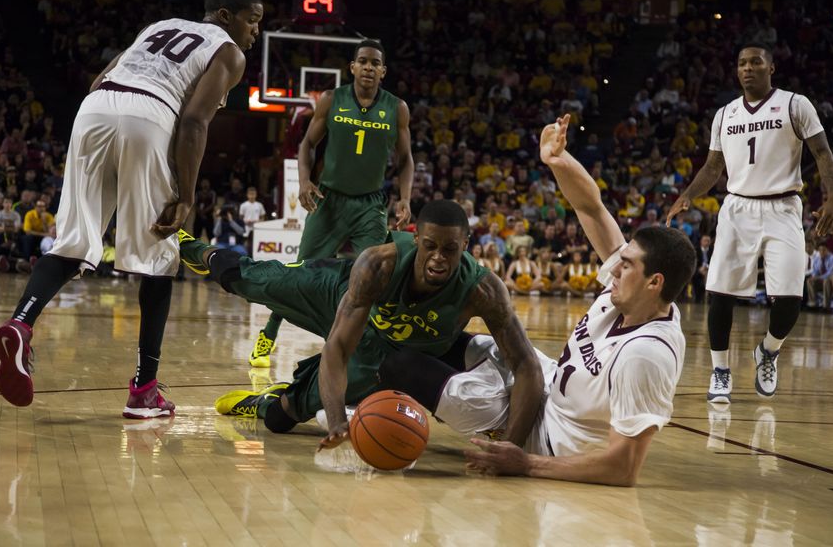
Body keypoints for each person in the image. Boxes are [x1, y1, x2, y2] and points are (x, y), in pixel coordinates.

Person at [380, 115, 695, 486]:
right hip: (545, 382)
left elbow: (623, 467)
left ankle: (376, 416)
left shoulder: (646, 356)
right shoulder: (633, 292)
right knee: (436, 340)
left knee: (402, 365)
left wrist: (526, 464)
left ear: (654, 282)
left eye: (625, 266)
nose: (613, 268)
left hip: (544, 438)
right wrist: (557, 160)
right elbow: (591, 208)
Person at [0, 0, 264, 416]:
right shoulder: (228, 52)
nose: (256, 32)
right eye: (253, 21)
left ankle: (21, 323)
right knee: (159, 257)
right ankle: (144, 391)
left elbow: (98, 80)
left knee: (73, 241)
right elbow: (193, 121)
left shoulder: (157, 26)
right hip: (149, 115)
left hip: (95, 111)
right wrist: (187, 195)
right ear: (226, 17)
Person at [180, 200, 544, 449]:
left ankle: (265, 401)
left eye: (450, 250)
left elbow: (527, 366)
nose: (438, 258)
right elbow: (337, 347)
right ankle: (194, 250)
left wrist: (510, 450)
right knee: (253, 279)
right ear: (415, 239)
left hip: (382, 352)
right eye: (429, 246)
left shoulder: (482, 289)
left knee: (282, 417)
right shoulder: (379, 264)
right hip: (340, 293)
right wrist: (337, 420)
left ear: (467, 245)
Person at [667, 42, 833, 403]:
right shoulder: (725, 114)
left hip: (783, 207)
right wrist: (688, 194)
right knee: (720, 294)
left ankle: (769, 350)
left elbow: (822, 153)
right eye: (742, 63)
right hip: (738, 208)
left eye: (755, 62)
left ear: (771, 68)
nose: (748, 68)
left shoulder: (795, 104)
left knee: (791, 296)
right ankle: (720, 371)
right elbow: (713, 166)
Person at [247, 39, 415, 369]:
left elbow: (407, 159)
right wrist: (305, 180)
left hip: (369, 206)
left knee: (374, 278)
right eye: (362, 61)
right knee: (298, 273)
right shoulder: (330, 100)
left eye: (374, 63)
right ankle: (268, 333)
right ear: (352, 67)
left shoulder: (397, 108)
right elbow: (307, 144)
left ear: (383, 70)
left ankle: (368, 349)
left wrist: (406, 197)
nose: (368, 67)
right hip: (330, 201)